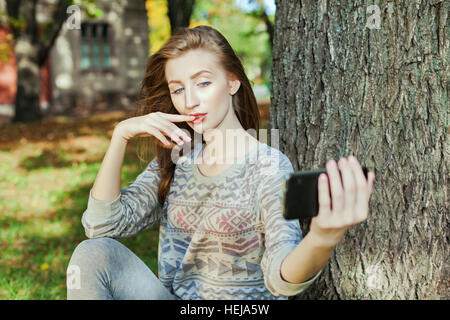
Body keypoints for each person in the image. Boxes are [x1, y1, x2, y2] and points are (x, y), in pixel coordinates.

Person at [66, 25, 375, 300]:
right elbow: (100, 225)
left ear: (232, 82)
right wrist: (120, 135)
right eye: (178, 89)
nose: (189, 100)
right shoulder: (180, 155)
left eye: (203, 83)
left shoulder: (268, 165)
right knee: (93, 253)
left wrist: (322, 238)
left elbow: (282, 276)